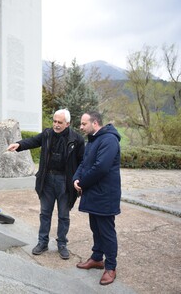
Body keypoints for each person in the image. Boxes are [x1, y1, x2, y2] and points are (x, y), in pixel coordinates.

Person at [7, 109, 85, 259]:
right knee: (45, 214)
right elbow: (33, 141)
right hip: (47, 179)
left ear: (67, 123)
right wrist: (18, 144)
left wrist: (79, 179)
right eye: (54, 121)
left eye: (59, 122)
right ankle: (42, 242)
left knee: (63, 215)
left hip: (65, 181)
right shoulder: (47, 134)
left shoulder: (77, 139)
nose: (56, 125)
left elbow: (83, 161)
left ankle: (62, 244)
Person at [73, 111, 121, 286]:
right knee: (96, 228)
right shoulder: (93, 140)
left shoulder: (109, 140)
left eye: (84, 124)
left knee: (106, 232)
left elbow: (101, 168)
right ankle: (96, 258)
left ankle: (111, 267)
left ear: (95, 123)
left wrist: (83, 183)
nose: (81, 127)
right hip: (94, 193)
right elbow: (84, 163)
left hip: (105, 195)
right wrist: (76, 179)